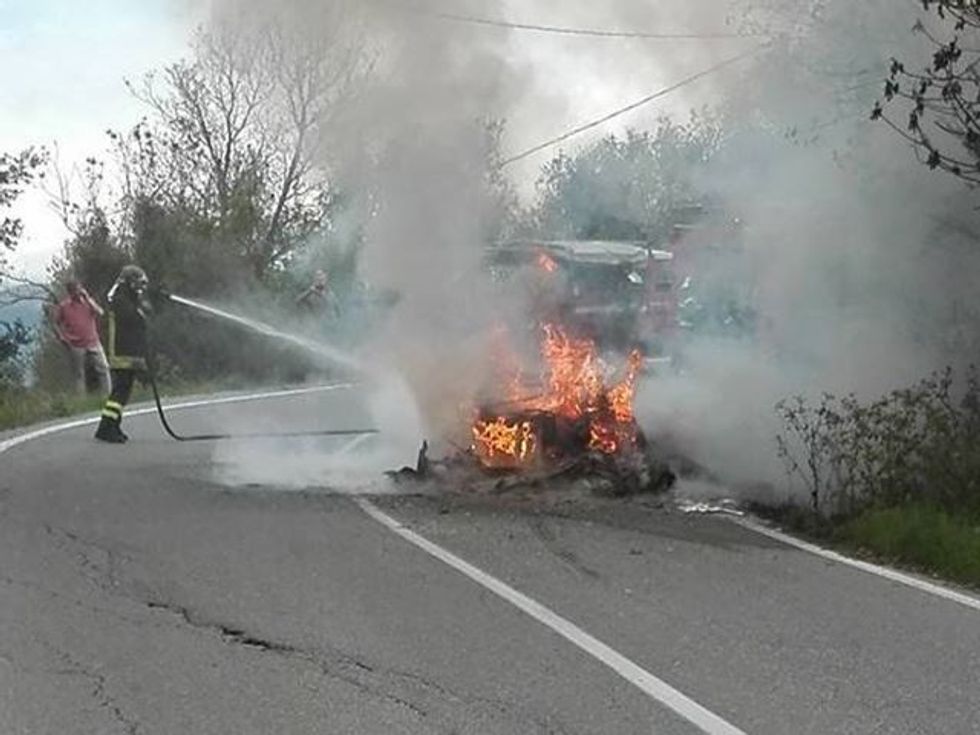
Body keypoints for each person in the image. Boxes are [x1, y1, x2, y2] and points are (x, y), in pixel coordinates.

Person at [94, 265, 152, 444]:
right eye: (137, 283)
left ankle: (112, 425)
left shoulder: (126, 296)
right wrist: (142, 308)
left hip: (129, 349)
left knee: (123, 391)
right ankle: (106, 427)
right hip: (121, 350)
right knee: (120, 390)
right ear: (129, 282)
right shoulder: (120, 299)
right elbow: (133, 318)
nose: (139, 288)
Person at [53, 279, 111, 395]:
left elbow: (100, 312)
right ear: (70, 292)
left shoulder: (88, 302)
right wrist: (61, 337)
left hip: (93, 342)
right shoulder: (64, 307)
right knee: (79, 374)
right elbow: (56, 322)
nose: (77, 293)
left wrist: (88, 299)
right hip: (76, 345)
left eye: (78, 289)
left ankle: (108, 395)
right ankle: (81, 401)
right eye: (74, 290)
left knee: (103, 368)